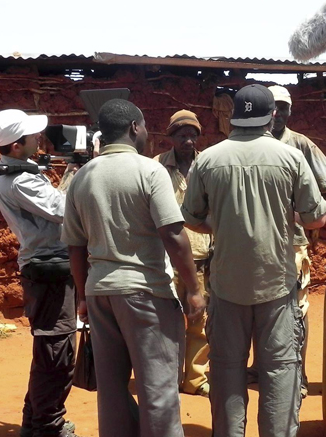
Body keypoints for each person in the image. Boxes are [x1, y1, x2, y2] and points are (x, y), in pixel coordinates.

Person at [182, 84, 326, 437]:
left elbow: (189, 216)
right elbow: (316, 218)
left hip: (226, 284)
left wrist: (219, 222)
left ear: (233, 115)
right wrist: (283, 215)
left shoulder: (208, 159)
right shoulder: (290, 158)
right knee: (279, 371)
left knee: (226, 370)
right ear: (271, 115)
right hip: (276, 285)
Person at [61, 99, 206, 437]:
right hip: (145, 293)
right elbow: (173, 233)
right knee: (158, 389)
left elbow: (75, 246)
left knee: (111, 390)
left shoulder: (82, 176)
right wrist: (195, 289)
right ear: (134, 128)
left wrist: (83, 296)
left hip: (100, 294)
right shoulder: (149, 170)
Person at [248, 85, 326, 398]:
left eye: (283, 108)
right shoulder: (250, 144)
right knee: (255, 304)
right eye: (272, 107)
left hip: (292, 245)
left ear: (291, 111)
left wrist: (302, 211)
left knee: (297, 309)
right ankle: (258, 366)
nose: (277, 113)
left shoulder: (299, 144)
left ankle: (298, 373)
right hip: (256, 241)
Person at [0, 109, 79, 437]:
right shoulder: (19, 180)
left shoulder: (18, 170)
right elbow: (64, 210)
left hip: (47, 268)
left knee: (48, 352)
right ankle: (48, 426)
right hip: (49, 272)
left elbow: (54, 199)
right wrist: (78, 172)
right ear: (16, 145)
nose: (38, 138)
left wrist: (69, 168)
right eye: (31, 135)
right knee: (57, 354)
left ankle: (34, 422)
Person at [154, 109, 212, 398]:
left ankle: (195, 379)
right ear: (171, 138)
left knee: (199, 320)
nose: (187, 140)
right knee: (168, 323)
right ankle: (170, 380)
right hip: (166, 258)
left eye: (192, 134)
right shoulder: (156, 166)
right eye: (181, 135)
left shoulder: (210, 164)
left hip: (203, 255)